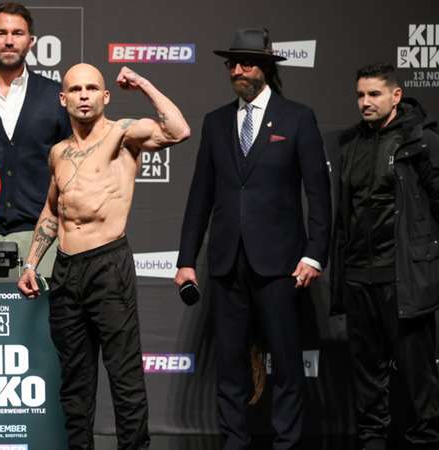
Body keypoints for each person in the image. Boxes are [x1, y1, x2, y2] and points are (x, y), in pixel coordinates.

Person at [17, 63, 190, 450]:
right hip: (64, 269)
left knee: (124, 376)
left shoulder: (123, 136)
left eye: (92, 88)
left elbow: (179, 131)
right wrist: (31, 263)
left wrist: (143, 84)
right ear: (63, 99)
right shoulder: (58, 152)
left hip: (107, 266)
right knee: (75, 381)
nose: (83, 95)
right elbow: (51, 211)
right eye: (75, 89)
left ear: (105, 96)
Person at [174, 28, 331, 450]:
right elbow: (199, 198)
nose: (237, 70)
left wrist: (315, 255)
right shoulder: (215, 121)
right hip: (226, 263)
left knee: (286, 362)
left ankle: (287, 445)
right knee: (228, 365)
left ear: (266, 68)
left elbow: (318, 194)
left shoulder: (298, 118)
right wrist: (186, 258)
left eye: (245, 63)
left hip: (281, 263)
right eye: (231, 64)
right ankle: (234, 443)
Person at [330, 62, 439, 450]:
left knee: (418, 372)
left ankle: (425, 438)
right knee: (366, 372)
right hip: (359, 275)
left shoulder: (420, 139)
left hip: (403, 276)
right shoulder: (349, 144)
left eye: (374, 94)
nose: (365, 102)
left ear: (396, 96)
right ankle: (372, 440)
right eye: (360, 95)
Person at [0, 1, 71, 275]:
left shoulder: (55, 95)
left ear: (31, 41)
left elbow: (72, 166)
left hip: (38, 233)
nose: (9, 41)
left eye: (17, 33)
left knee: (37, 318)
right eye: (1, 33)